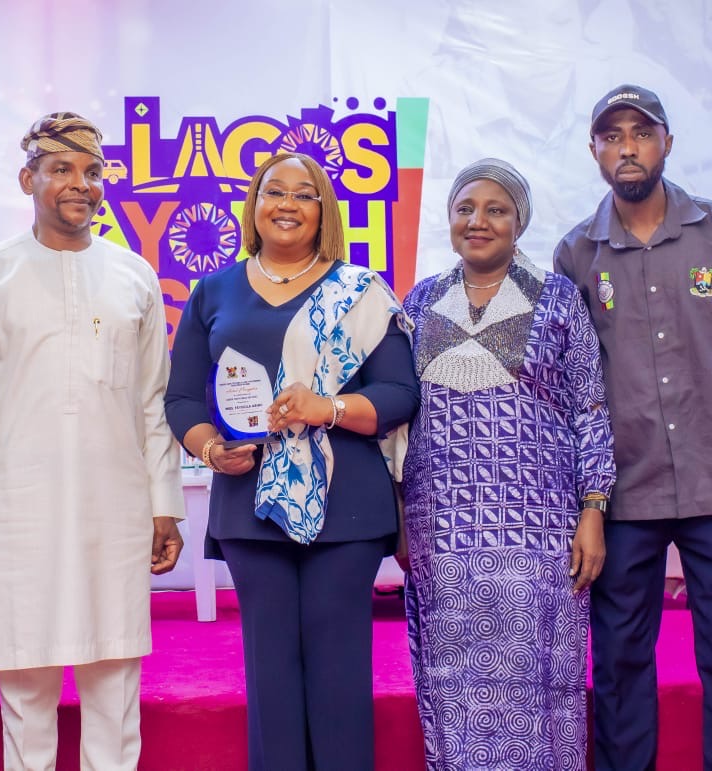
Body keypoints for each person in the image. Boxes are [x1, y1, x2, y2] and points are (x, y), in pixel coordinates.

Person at [0, 112, 185, 771]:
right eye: (62, 169)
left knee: (114, 688)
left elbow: (152, 400)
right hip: (15, 513)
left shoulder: (134, 276)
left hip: (115, 509)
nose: (81, 184)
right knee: (26, 691)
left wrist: (165, 503)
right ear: (29, 179)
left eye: (93, 171)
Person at [554, 84, 712, 771]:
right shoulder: (577, 254)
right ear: (594, 150)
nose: (627, 148)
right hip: (624, 491)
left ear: (667, 143)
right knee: (621, 658)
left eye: (641, 132)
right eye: (612, 136)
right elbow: (574, 377)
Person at [164, 152, 419, 771]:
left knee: (339, 677)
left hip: (347, 509)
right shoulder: (213, 291)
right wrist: (210, 448)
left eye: (304, 194)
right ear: (254, 204)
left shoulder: (362, 290)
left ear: (323, 211)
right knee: (270, 676)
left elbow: (399, 393)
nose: (287, 204)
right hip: (250, 506)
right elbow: (182, 397)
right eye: (273, 191)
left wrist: (326, 408)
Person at [400, 158, 614, 770]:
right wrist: (399, 516)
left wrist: (593, 509)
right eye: (465, 209)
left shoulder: (558, 298)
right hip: (442, 528)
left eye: (496, 210)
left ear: (519, 222)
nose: (478, 221)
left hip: (539, 527)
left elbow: (589, 408)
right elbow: (399, 420)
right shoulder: (421, 300)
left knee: (543, 676)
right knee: (451, 677)